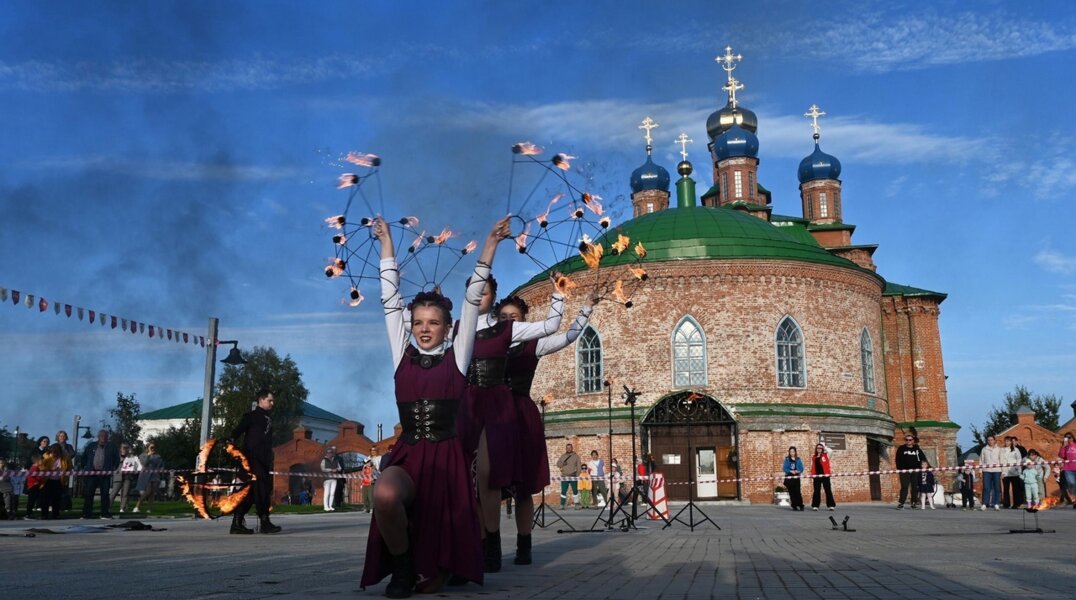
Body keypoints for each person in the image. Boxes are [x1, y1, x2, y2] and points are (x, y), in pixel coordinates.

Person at [360, 216, 507, 597]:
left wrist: (489, 245)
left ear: (447, 326)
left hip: (446, 461)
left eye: (434, 322)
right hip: (409, 454)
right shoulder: (400, 353)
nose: (425, 328)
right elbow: (390, 300)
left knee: (436, 586)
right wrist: (386, 244)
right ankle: (403, 567)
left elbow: (473, 299)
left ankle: (442, 563)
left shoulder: (459, 356)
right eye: (419, 322)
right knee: (385, 495)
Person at [457, 271, 564, 574]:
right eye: (473, 291)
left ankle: (498, 543)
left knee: (493, 476)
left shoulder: (504, 329)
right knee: (471, 480)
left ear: (492, 297)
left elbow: (553, 327)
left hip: (497, 406)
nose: (479, 296)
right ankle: (478, 544)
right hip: (466, 408)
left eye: (485, 292)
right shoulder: (456, 329)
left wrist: (559, 295)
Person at [498, 292, 596, 565]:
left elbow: (569, 337)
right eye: (503, 318)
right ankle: (488, 546)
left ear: (524, 320)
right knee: (490, 485)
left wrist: (584, 308)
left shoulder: (534, 345)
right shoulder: (487, 342)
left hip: (520, 414)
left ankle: (524, 546)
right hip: (493, 415)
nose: (509, 322)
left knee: (524, 487)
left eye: (514, 317)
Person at [228, 389, 282, 534]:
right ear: (261, 400)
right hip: (252, 460)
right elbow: (238, 430)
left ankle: (237, 523)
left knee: (251, 493)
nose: (272, 403)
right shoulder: (251, 416)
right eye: (270, 400)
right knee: (262, 489)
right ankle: (265, 522)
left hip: (262, 461)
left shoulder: (267, 418)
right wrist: (231, 440)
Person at [80, 430, 119, 519]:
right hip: (92, 474)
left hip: (105, 474)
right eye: (101, 435)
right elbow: (84, 457)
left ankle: (105, 513)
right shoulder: (91, 445)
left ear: (107, 437)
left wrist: (113, 468)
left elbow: (116, 459)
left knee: (105, 494)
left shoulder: (112, 446)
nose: (103, 437)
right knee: (89, 494)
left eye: (105, 436)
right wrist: (84, 468)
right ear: (98, 436)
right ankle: (87, 513)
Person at [894, 433, 926, 509]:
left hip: (915, 470)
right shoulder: (901, 448)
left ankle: (914, 503)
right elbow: (897, 459)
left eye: (910, 440)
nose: (908, 441)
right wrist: (900, 469)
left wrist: (929, 468)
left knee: (915, 487)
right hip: (904, 471)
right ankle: (901, 503)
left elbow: (923, 459)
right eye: (906, 440)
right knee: (904, 486)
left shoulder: (917, 449)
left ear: (913, 441)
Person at [110, 443, 141, 513]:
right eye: (123, 448)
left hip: (128, 477)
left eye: (127, 448)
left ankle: (122, 508)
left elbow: (135, 466)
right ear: (120, 449)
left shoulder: (131, 457)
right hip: (118, 477)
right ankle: (108, 507)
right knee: (114, 493)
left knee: (125, 493)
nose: (125, 449)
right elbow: (114, 465)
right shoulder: (117, 456)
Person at [132, 443, 163, 514]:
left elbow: (161, 464)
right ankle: (137, 506)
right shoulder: (142, 455)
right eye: (151, 447)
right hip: (145, 476)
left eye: (154, 447)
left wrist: (161, 469)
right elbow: (144, 464)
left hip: (155, 476)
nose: (153, 448)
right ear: (147, 448)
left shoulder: (158, 456)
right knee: (147, 491)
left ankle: (149, 508)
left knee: (152, 493)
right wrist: (148, 455)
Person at [979, 435, 1003, 511]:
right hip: (986, 471)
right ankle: (984, 504)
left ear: (995, 440)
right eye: (988, 440)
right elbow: (981, 460)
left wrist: (1003, 472)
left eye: (991, 440)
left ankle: (996, 504)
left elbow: (1002, 460)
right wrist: (980, 470)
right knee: (986, 488)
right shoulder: (984, 449)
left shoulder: (999, 449)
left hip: (997, 471)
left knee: (997, 488)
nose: (990, 441)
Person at [810, 442, 835, 511]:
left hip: (825, 475)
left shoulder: (826, 455)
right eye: (818, 448)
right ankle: (815, 506)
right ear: (816, 449)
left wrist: (824, 446)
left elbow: (831, 451)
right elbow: (812, 466)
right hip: (817, 476)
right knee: (816, 491)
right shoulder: (813, 457)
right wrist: (812, 474)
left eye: (821, 448)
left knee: (828, 490)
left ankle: (831, 505)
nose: (819, 449)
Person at [556, 443, 582, 510]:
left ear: (572, 448)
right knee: (563, 491)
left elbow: (579, 466)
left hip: (573, 475)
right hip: (564, 476)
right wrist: (563, 464)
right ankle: (562, 505)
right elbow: (558, 464)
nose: (568, 449)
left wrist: (577, 474)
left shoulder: (576, 456)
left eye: (570, 447)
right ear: (566, 448)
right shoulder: (563, 456)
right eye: (567, 448)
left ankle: (576, 505)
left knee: (575, 491)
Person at [1000, 436, 1024, 509]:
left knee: (1015, 489)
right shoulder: (1002, 450)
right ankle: (1006, 504)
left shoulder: (1016, 450)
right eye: (1006, 441)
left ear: (1011, 442)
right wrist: (1002, 472)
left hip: (1014, 472)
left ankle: (1016, 504)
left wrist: (1017, 469)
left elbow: (1019, 459)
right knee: (1006, 488)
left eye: (1008, 441)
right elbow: (1001, 460)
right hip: (1005, 472)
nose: (1007, 442)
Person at [782, 446, 805, 511]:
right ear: (789, 452)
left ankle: (801, 505)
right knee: (791, 492)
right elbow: (784, 468)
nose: (792, 453)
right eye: (791, 452)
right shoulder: (787, 459)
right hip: (789, 477)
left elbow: (801, 468)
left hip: (796, 477)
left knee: (798, 492)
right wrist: (790, 471)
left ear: (795, 452)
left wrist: (798, 471)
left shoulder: (798, 459)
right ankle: (794, 506)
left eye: (793, 451)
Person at [1058, 432, 1076, 508]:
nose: (1068, 439)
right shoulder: (1065, 446)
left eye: (1069, 437)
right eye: (1066, 437)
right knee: (1071, 483)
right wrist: (1063, 446)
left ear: (1073, 437)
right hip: (1068, 468)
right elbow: (1061, 455)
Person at [24, 455, 44, 519]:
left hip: (34, 485)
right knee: (31, 500)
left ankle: (29, 513)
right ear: (37, 461)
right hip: (33, 486)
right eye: (41, 460)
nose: (43, 461)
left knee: (33, 500)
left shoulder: (35, 468)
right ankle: (28, 514)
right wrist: (41, 478)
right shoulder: (34, 468)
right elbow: (35, 476)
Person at [321, 447, 339, 512]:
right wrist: (331, 469)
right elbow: (322, 469)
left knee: (332, 493)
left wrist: (337, 469)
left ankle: (330, 506)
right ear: (327, 453)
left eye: (331, 453)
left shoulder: (335, 460)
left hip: (334, 478)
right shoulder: (324, 460)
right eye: (328, 453)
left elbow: (340, 468)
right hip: (326, 479)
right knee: (327, 493)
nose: (330, 454)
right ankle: (325, 507)